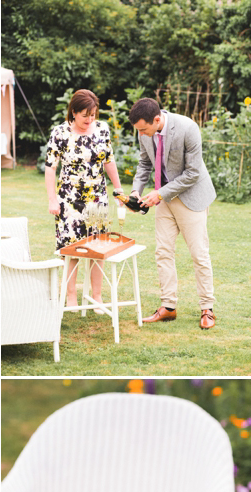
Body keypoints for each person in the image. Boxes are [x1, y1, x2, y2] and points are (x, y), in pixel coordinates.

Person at [128, 98, 217, 329]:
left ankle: (207, 308)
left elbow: (193, 173)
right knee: (163, 252)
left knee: (199, 254)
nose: (142, 134)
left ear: (157, 119)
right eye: (139, 130)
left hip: (191, 196)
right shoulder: (143, 130)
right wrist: (135, 192)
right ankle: (168, 306)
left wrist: (159, 194)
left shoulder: (188, 128)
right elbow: (144, 164)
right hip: (164, 198)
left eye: (144, 129)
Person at [45, 89, 124, 310]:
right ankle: (71, 297)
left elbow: (108, 161)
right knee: (71, 250)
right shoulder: (60, 133)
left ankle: (97, 296)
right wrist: (52, 200)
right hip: (69, 200)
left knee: (97, 250)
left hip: (97, 198)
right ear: (73, 112)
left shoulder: (102, 130)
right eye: (84, 115)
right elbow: (50, 169)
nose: (89, 120)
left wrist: (118, 190)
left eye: (93, 114)